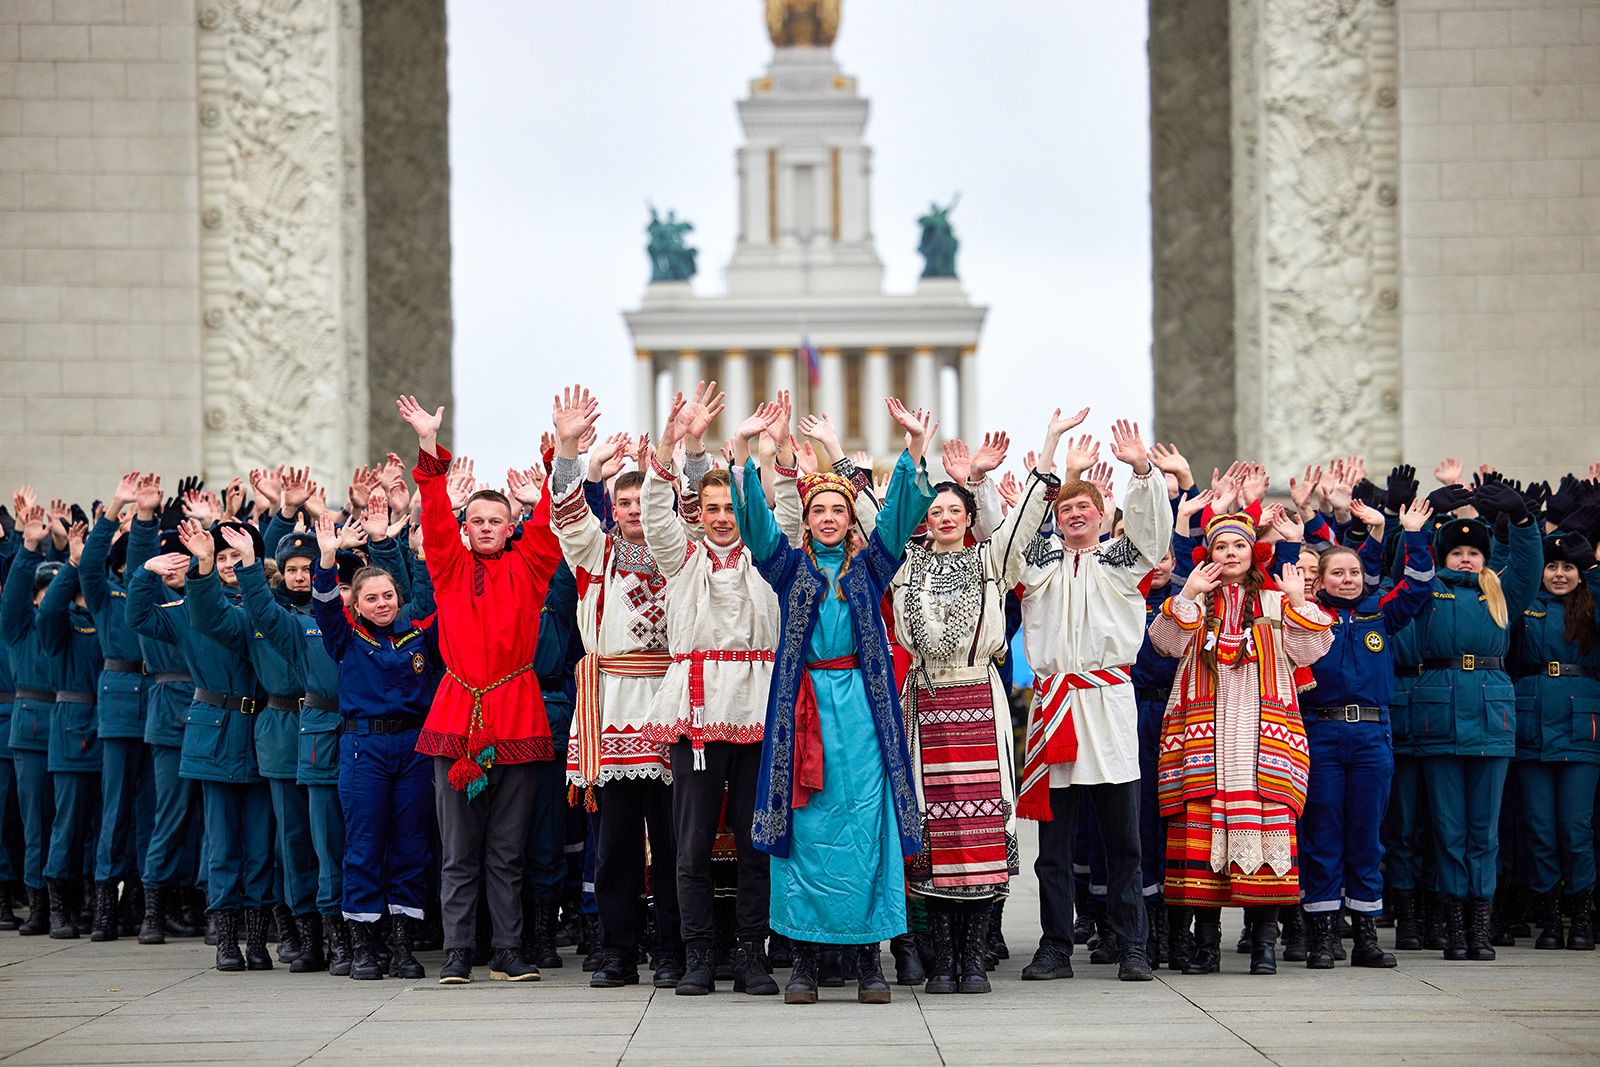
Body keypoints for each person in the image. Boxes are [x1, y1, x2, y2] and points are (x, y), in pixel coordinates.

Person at [732, 396, 935, 1006]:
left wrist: (915, 450)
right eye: (817, 509)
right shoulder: (788, 568)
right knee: (805, 832)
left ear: (850, 518)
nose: (825, 517)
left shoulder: (872, 567)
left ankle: (871, 961)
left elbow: (899, 516)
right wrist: (746, 452)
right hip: (803, 715)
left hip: (865, 719)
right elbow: (756, 525)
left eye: (836, 510)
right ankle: (806, 962)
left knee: (867, 827)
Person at [397, 394, 563, 985]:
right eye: (478, 522)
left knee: (508, 849)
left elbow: (551, 520)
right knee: (458, 850)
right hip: (456, 712)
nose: (487, 528)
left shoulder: (532, 565)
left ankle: (509, 950)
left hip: (516, 710)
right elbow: (435, 516)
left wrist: (560, 455)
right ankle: (461, 950)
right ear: (467, 529)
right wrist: (426, 442)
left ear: (510, 526)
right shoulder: (446, 564)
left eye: (497, 521)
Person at [889, 418, 1056, 994]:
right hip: (927, 699)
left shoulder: (991, 561)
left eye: (953, 510)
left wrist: (1051, 439)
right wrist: (845, 452)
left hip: (978, 699)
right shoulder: (904, 564)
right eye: (934, 511)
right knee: (934, 831)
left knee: (983, 825)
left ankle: (976, 958)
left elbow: (1028, 516)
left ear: (968, 518)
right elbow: (867, 512)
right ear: (926, 521)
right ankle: (942, 960)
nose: (944, 518)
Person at [1015, 418, 1175, 982]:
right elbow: (1012, 538)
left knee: (1122, 841)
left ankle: (1132, 943)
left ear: (1104, 515)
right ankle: (1056, 945)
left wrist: (1141, 470)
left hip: (1107, 704)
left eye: (1085, 508)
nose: (1075, 515)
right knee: (1054, 846)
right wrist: (1056, 460)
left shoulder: (1122, 562)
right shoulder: (1037, 567)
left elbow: (1154, 533)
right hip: (1055, 704)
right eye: (1065, 510)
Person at [640, 384, 783, 997]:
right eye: (714, 508)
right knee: (691, 845)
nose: (724, 518)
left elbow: (794, 517)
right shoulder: (683, 558)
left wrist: (756, 449)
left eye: (731, 507)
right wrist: (674, 444)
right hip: (696, 713)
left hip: (755, 707)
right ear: (699, 511)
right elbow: (653, 515)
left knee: (757, 842)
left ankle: (752, 953)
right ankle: (699, 954)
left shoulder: (769, 557)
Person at [1150, 507, 1334, 976]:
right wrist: (1189, 593)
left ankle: (1264, 947)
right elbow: (1164, 643)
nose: (1230, 553)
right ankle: (1206, 947)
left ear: (1254, 551)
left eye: (1238, 545)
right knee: (1201, 837)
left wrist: (1298, 598)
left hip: (1261, 737)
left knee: (1268, 831)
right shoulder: (1197, 600)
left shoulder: (1275, 602)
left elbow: (1310, 649)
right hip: (1204, 737)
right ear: (1208, 553)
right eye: (1220, 546)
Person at [549, 387, 684, 990]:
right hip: (614, 712)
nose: (633, 509)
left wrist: (680, 451)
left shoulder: (684, 555)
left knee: (678, 845)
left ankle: (676, 948)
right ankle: (617, 951)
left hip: (675, 707)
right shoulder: (595, 553)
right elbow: (566, 513)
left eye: (641, 499)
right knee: (616, 848)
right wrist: (569, 450)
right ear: (613, 504)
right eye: (623, 500)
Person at [128, 519, 272, 972]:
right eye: (221, 557)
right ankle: (227, 940)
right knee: (222, 843)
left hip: (261, 731)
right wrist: (145, 571)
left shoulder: (266, 607)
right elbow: (138, 616)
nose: (229, 564)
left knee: (260, 845)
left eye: (236, 556)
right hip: (213, 729)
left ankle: (259, 937)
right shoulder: (188, 608)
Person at [299, 515, 439, 980]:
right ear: (355, 605)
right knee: (363, 843)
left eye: (388, 596)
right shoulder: (346, 636)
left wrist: (417, 554)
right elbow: (322, 607)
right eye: (371, 598)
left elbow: (436, 595)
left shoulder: (417, 630)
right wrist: (324, 558)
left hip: (415, 745)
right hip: (365, 746)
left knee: (412, 844)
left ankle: (402, 946)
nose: (382, 604)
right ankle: (363, 944)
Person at [1298, 498, 1435, 968]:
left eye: (1354, 573)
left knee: (1366, 835)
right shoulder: (1307, 616)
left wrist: (1412, 534)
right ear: (1321, 580)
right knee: (1323, 833)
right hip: (1322, 734)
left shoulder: (1379, 612)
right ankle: (1322, 935)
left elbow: (1417, 588)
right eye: (1338, 573)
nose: (1348, 580)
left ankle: (1365, 938)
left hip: (1373, 737)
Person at [1411, 482, 1542, 961]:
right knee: (1448, 828)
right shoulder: (1429, 588)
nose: (1466, 559)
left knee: (1484, 830)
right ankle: (1453, 924)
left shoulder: (1502, 591)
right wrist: (1426, 517)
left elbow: (1529, 565)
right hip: (1440, 716)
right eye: (1457, 552)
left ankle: (1480, 925)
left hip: (1490, 716)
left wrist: (1524, 521)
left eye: (1473, 552)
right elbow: (1404, 565)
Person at [222, 524, 349, 974]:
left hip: (327, 729)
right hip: (282, 731)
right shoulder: (276, 615)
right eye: (292, 568)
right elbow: (258, 606)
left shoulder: (339, 614)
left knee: (331, 838)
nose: (300, 576)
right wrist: (248, 563)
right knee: (292, 841)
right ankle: (303, 930)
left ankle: (342, 933)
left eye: (309, 567)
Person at [1510, 531, 1600, 951]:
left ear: (1581, 573)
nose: (1559, 574)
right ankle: (1549, 919)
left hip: (1582, 729)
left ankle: (1581, 916)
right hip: (1532, 726)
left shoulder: (1591, 604)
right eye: (1552, 566)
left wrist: (1593, 571)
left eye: (1569, 567)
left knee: (1576, 828)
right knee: (1540, 829)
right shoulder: (1527, 605)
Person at [123, 476, 203, 945]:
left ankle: (195, 903)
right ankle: (155, 906)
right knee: (170, 815)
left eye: (183, 558)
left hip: (212, 716)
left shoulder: (203, 601)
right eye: (168, 559)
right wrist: (146, 531)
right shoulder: (157, 606)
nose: (176, 565)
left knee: (207, 820)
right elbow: (137, 599)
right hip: (172, 717)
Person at [79, 476, 154, 942]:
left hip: (157, 708)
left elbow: (146, 561)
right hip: (120, 707)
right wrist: (116, 510)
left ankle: (141, 904)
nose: (134, 562)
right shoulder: (107, 594)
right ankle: (106, 902)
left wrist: (146, 519)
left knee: (150, 812)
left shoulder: (151, 594)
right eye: (126, 555)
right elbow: (89, 563)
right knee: (114, 812)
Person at [35, 517, 105, 939]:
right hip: (72, 732)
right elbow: (48, 609)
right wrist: (73, 564)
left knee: (103, 825)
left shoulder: (104, 612)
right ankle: (59, 907)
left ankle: (94, 904)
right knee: (68, 824)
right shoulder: (59, 624)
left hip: (110, 728)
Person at [0, 503, 66, 936]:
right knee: (34, 823)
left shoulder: (68, 630)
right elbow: (17, 593)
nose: (47, 601)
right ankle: (37, 904)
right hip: (29, 730)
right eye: (42, 595)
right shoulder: (20, 629)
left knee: (67, 823)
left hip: (67, 729)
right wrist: (26, 546)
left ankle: (63, 902)